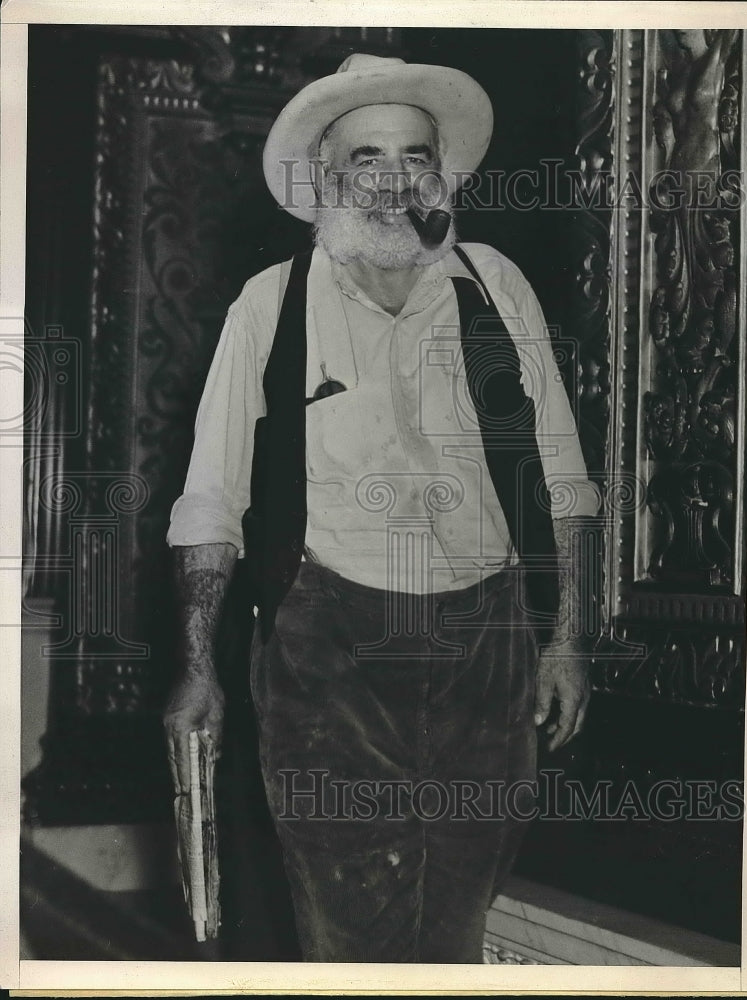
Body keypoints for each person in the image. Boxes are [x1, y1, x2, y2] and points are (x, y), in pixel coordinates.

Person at [164, 53, 601, 963]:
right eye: (367, 157)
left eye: (415, 155)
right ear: (325, 178)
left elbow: (564, 476)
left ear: (442, 173)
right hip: (328, 643)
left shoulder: (493, 284)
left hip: (488, 641)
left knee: (455, 920)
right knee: (350, 925)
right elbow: (210, 501)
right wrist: (199, 667)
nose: (396, 178)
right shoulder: (272, 303)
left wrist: (566, 639)